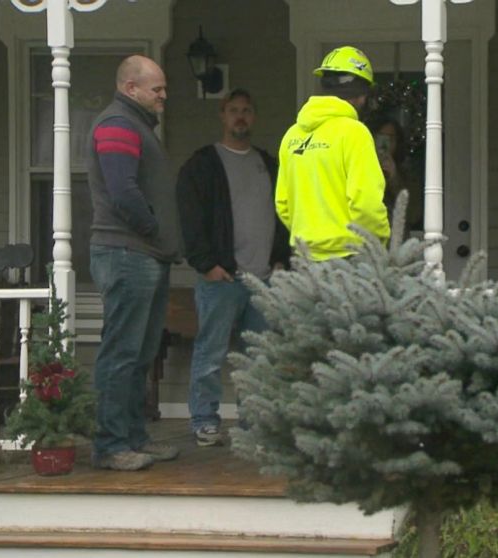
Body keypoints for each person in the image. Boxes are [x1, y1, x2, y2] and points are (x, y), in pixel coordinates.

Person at [176, 89, 291, 447]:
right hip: (222, 279)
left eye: (247, 110)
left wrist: (281, 258)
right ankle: (205, 420)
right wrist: (207, 264)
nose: (240, 116)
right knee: (210, 353)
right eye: (234, 111)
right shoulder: (203, 165)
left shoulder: (270, 165)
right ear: (222, 116)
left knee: (257, 357)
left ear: (254, 117)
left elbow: (287, 214)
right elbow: (190, 220)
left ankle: (252, 422)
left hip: (264, 280)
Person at [87, 55, 182, 471]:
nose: (163, 95)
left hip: (146, 255)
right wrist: (157, 231)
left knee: (140, 354)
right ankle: (110, 446)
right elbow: (123, 192)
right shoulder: (117, 125)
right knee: (122, 353)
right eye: (156, 89)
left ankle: (134, 437)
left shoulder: (137, 125)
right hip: (127, 252)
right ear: (130, 88)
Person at [276, 46, 390, 260]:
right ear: (362, 96)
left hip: (305, 258)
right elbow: (365, 202)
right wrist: (379, 242)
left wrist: (310, 235)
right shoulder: (354, 132)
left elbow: (283, 203)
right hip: (349, 259)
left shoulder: (292, 135)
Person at [366, 114, 422, 231]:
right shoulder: (360, 166)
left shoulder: (407, 171)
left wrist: (394, 178)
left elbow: (414, 214)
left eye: (390, 139)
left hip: (396, 242)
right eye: (380, 138)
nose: (385, 145)